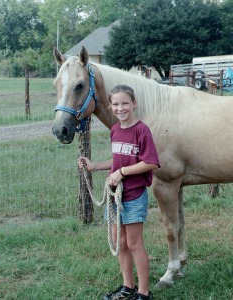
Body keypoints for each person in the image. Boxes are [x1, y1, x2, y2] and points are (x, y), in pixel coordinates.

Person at [79, 85, 159, 300]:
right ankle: (128, 286)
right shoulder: (115, 130)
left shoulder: (141, 130)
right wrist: (95, 166)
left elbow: (150, 162)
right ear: (110, 106)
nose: (120, 108)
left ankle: (143, 292)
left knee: (134, 243)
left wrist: (122, 173)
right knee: (119, 243)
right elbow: (118, 160)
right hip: (115, 197)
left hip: (133, 196)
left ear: (134, 104)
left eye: (125, 103)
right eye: (115, 104)